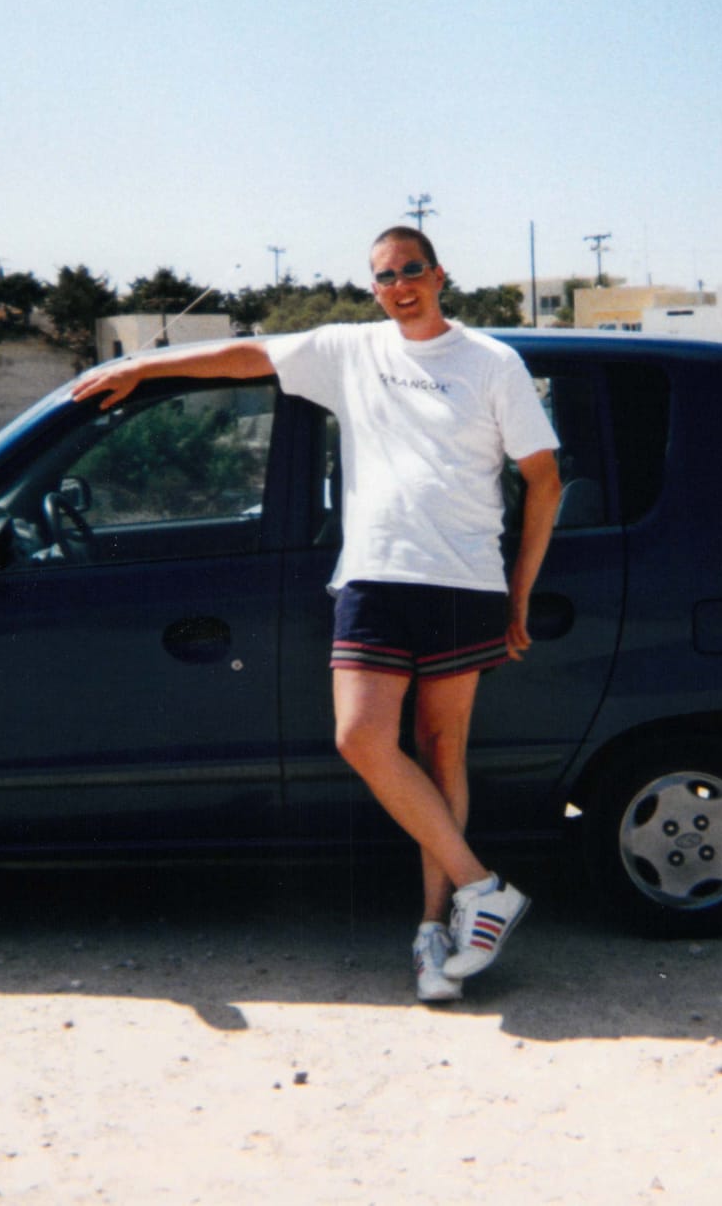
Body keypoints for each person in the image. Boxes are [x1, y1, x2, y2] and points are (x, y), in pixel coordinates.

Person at [70, 226, 562, 1002]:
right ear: (373, 288)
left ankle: (436, 935)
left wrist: (521, 591)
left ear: (439, 275)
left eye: (410, 270)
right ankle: (483, 887)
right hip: (374, 576)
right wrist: (143, 364)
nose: (398, 285)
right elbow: (249, 356)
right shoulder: (350, 350)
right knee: (360, 737)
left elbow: (544, 478)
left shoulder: (493, 363)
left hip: (465, 583)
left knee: (442, 753)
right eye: (383, 276)